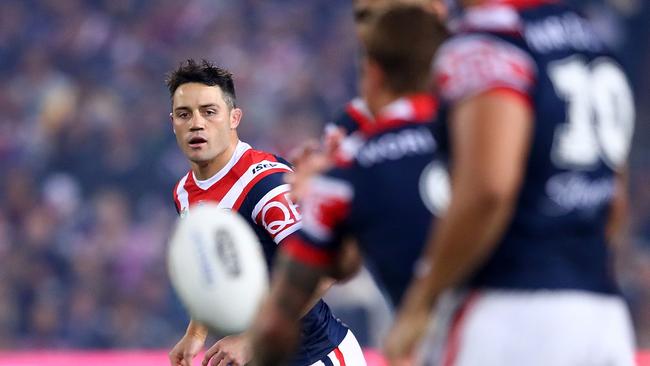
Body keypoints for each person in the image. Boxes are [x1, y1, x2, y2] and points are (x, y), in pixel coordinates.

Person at [386, 0, 637, 365]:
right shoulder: (593, 42)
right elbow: (614, 201)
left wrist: (423, 299)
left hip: (509, 308)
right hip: (603, 313)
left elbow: (488, 189)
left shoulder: (489, 40)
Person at [249, 6, 448, 366]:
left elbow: (330, 266)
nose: (365, 27)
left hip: (452, 335)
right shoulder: (487, 116)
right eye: (360, 16)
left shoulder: (349, 163)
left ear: (371, 72)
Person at [165, 60, 366, 366]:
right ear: (173, 123)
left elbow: (322, 268)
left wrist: (252, 339)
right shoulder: (184, 192)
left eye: (209, 112)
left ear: (234, 118)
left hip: (318, 357)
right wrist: (196, 333)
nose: (196, 123)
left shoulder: (265, 183)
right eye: (184, 114)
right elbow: (211, 268)